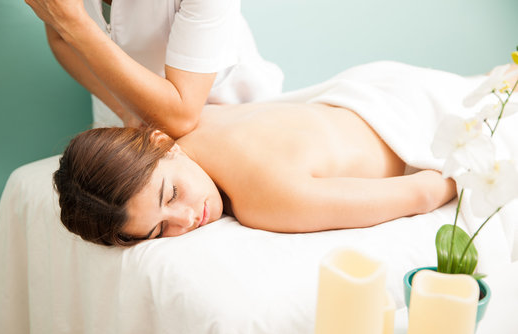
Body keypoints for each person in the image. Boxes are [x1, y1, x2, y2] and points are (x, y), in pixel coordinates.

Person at [54, 61, 487, 246]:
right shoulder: (188, 121)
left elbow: (426, 192)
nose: (186, 219)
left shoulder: (267, 200)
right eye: (159, 231)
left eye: (170, 196)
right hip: (384, 83)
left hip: (413, 114)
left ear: (160, 143)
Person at [24, 0, 283, 137]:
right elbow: (61, 38)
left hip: (228, 112)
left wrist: (76, 23)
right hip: (124, 126)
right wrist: (125, 111)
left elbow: (181, 117)